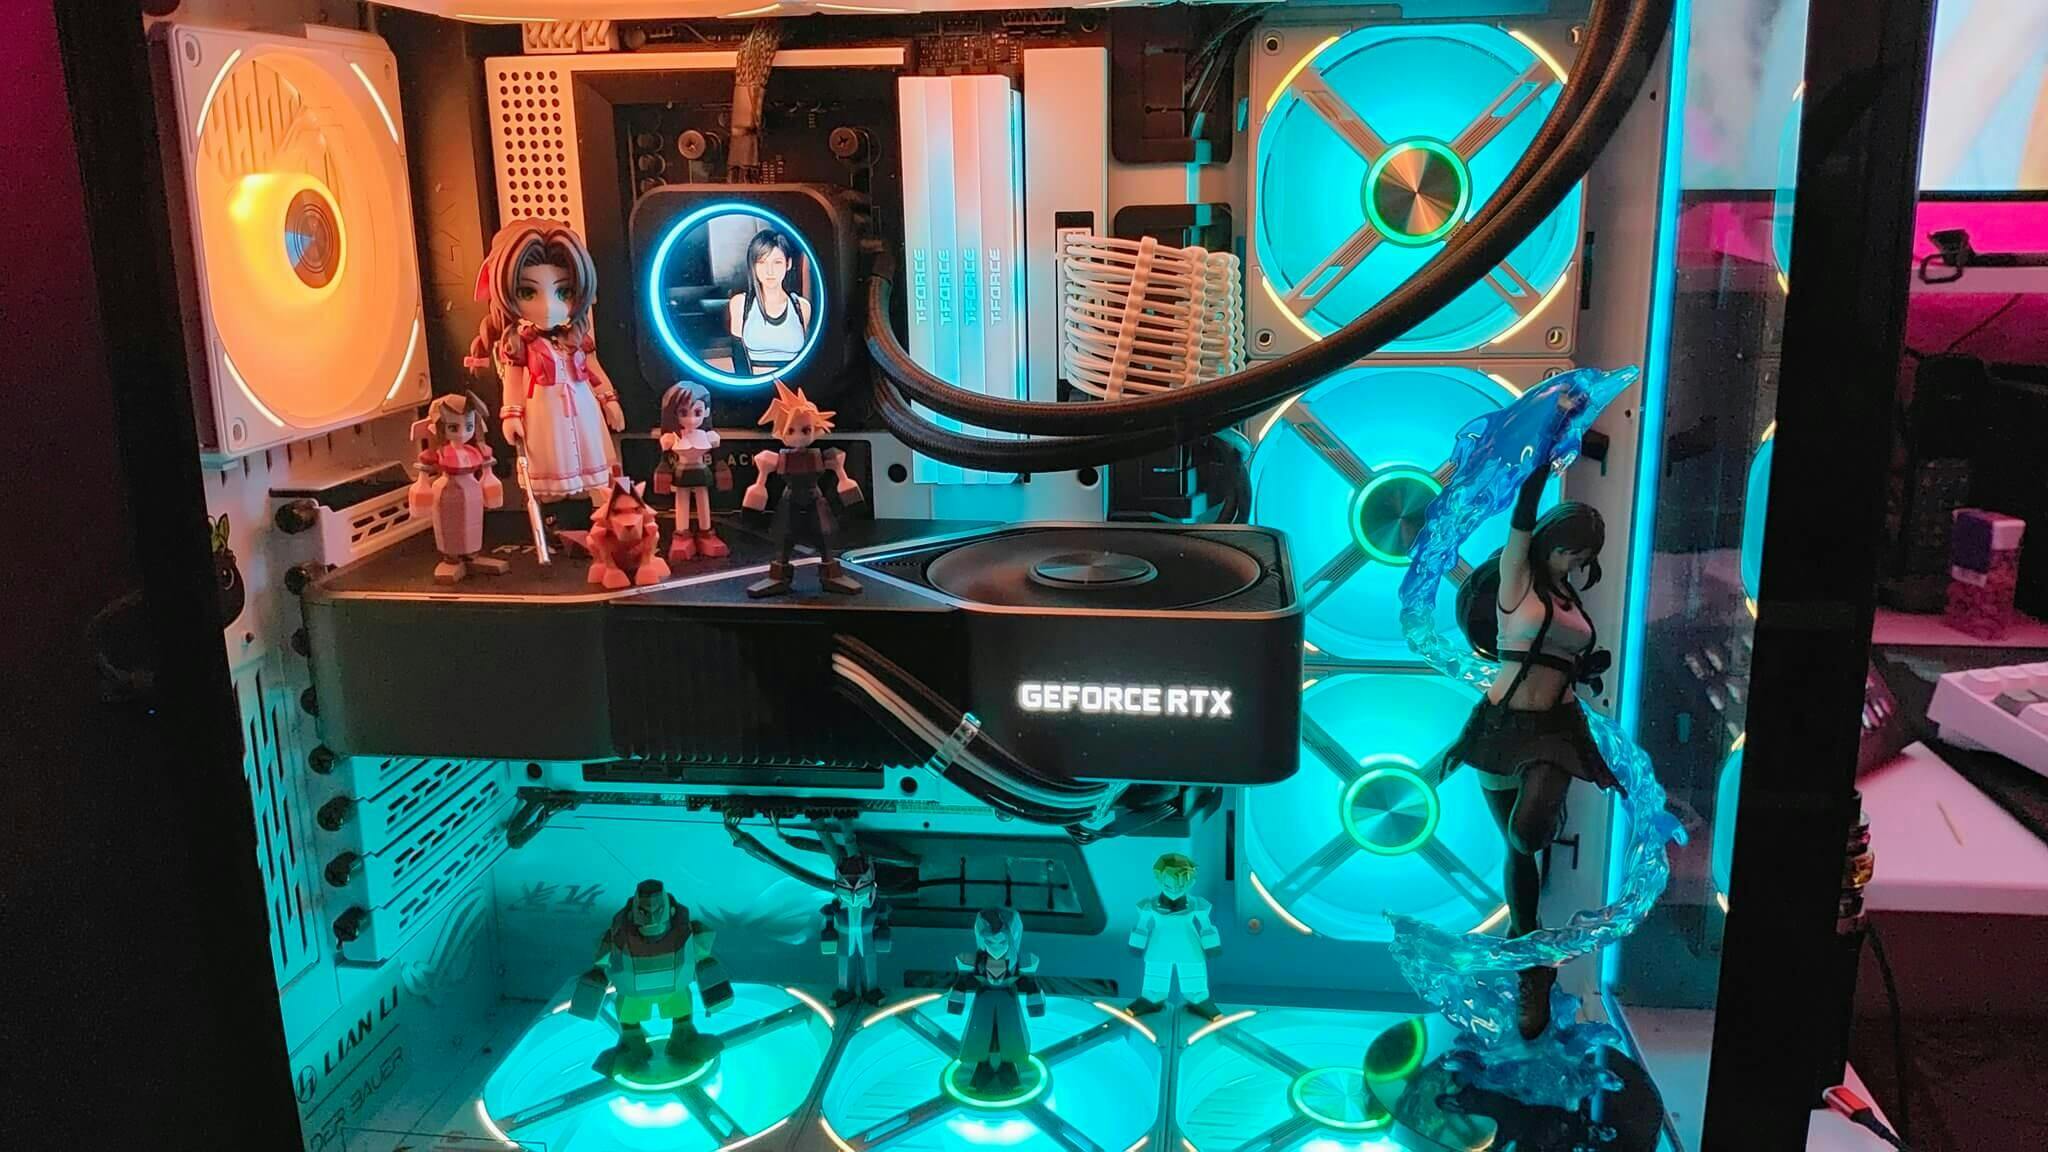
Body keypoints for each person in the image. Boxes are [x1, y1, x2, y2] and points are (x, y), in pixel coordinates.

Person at [1436, 446, 1621, 1042]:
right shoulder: (1517, 585)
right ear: (1549, 544)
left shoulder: (1569, 600)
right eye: (1570, 551)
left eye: (1584, 558)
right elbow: (1522, 515)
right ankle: (1531, 966)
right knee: (1518, 852)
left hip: (1556, 730)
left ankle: (1531, 956)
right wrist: (1544, 449)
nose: (1575, 563)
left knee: (1528, 833)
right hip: (1500, 728)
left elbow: (1566, 673)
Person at [467, 220, 623, 509]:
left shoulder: (576, 337)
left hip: (583, 407)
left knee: (592, 463)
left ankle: (597, 511)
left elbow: (594, 369)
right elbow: (513, 382)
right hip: (543, 411)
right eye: (528, 292)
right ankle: (557, 515)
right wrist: (511, 414)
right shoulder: (519, 343)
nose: (549, 307)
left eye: (563, 292)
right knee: (551, 468)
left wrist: (609, 399)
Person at [726, 229, 811, 375]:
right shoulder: (740, 304)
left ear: (788, 264)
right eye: (762, 262)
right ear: (753, 266)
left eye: (777, 262)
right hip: (756, 386)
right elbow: (739, 360)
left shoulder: (801, 307)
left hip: (793, 386)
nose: (769, 271)